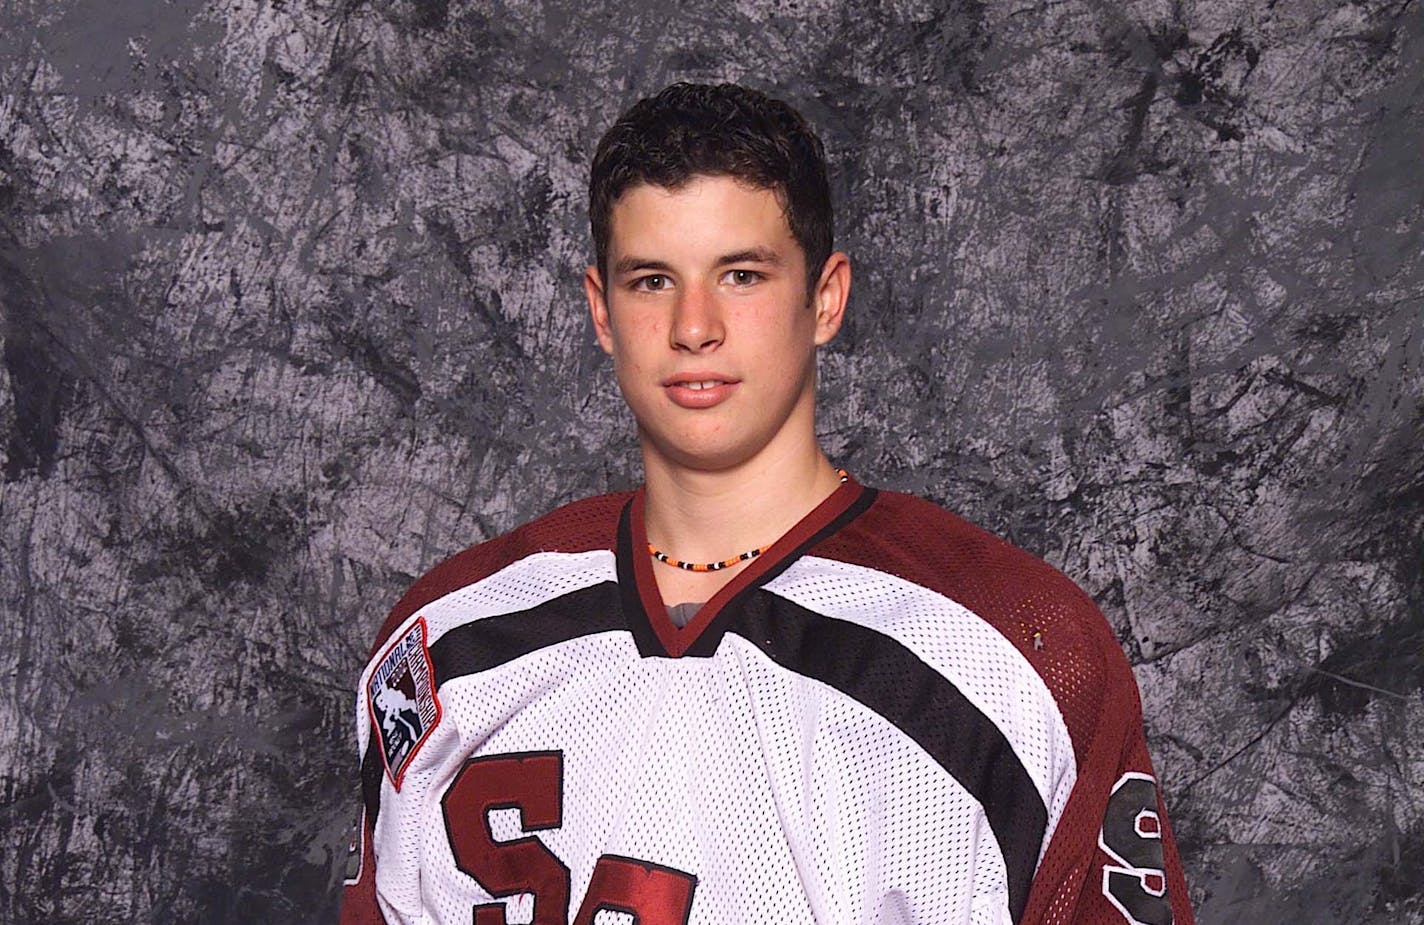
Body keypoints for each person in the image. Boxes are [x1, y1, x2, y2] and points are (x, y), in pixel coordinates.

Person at [338, 82, 1195, 925]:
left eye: (741, 275)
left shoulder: (1021, 652)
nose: (695, 326)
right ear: (600, 310)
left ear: (825, 298)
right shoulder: (444, 643)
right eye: (651, 281)